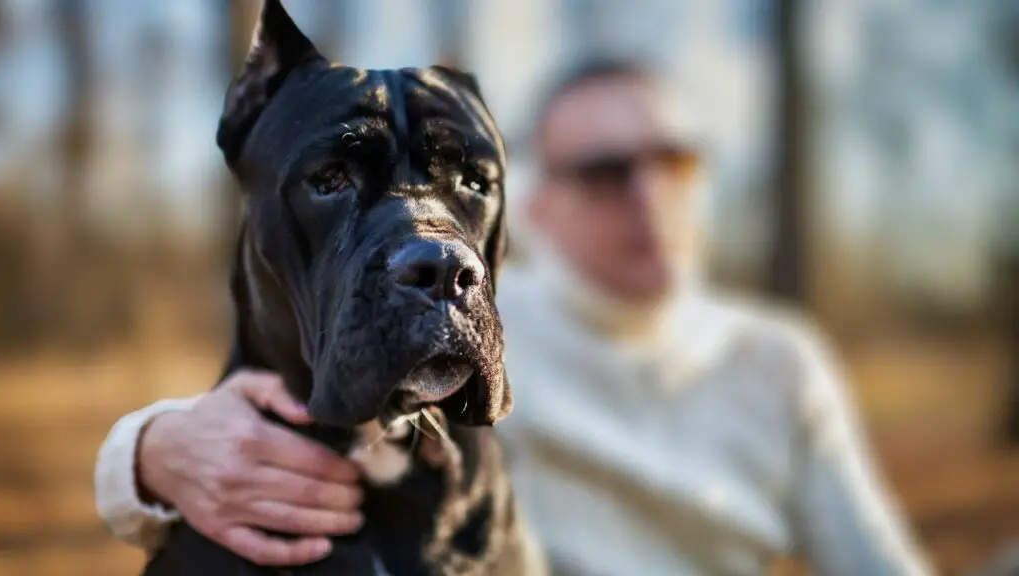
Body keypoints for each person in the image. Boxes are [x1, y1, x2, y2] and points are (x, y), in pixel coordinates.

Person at [95, 57, 933, 575]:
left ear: (495, 206)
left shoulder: (781, 359)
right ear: (542, 206)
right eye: (607, 171)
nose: (648, 196)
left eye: (674, 160)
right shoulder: (492, 313)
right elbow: (284, 364)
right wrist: (149, 450)